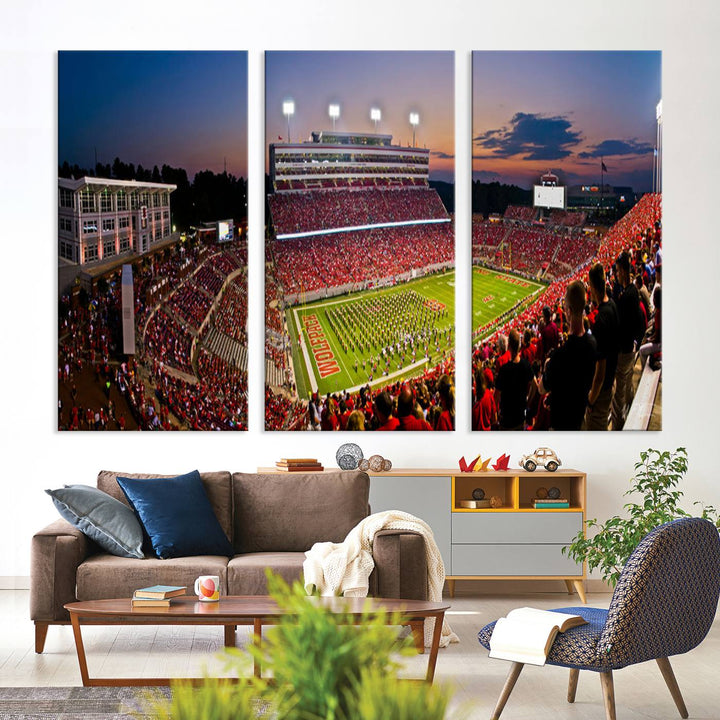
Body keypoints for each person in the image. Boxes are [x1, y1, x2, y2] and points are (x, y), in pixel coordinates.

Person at [539, 280, 597, 430]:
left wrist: (546, 366)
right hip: (580, 419)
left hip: (562, 425)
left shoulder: (560, 356)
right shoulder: (592, 344)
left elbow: (542, 388)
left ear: (568, 311)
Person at [612, 252, 646, 430]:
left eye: (618, 271)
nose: (616, 274)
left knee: (618, 397)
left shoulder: (628, 295)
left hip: (624, 350)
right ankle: (632, 409)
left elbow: (623, 325)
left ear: (624, 271)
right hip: (630, 348)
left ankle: (619, 429)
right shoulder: (631, 292)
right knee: (627, 385)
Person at [585, 263, 619, 430]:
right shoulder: (612, 305)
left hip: (602, 391)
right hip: (611, 380)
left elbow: (600, 369)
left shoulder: (600, 320)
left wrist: (591, 400)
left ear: (592, 286)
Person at [495, 329, 533, 430]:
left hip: (506, 420)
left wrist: (497, 414)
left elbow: (496, 397)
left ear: (509, 346)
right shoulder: (526, 365)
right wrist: (527, 401)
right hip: (520, 417)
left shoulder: (504, 370)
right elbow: (534, 386)